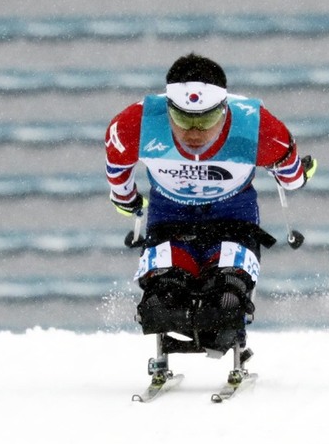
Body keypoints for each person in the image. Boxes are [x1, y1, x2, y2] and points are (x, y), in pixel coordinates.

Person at [104, 53, 316, 371]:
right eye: (183, 120)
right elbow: (117, 168)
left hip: (233, 213)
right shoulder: (136, 122)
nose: (194, 133)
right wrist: (128, 200)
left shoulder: (258, 127)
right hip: (170, 215)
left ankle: (226, 324)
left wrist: (128, 200)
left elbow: (291, 173)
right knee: (161, 298)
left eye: (204, 120)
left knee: (226, 297)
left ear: (224, 108)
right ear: (168, 108)